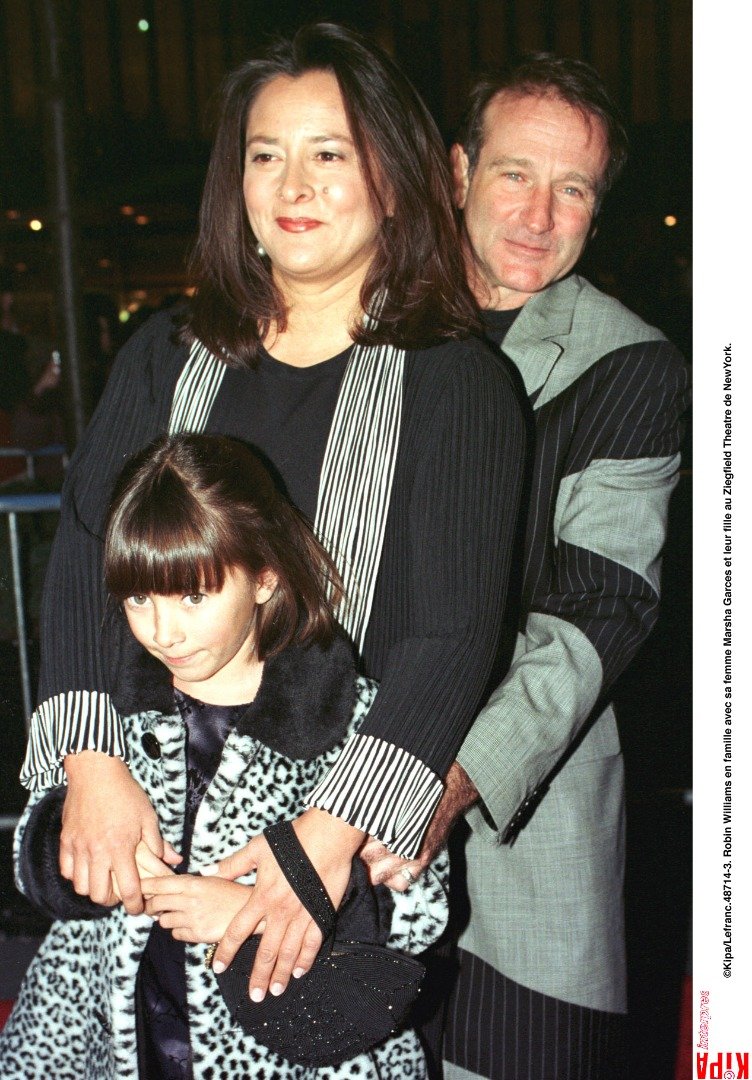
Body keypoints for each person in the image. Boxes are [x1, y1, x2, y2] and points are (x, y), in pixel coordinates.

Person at [19, 22, 525, 1007]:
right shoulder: (168, 353)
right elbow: (86, 552)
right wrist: (90, 766)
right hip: (148, 815)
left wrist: (323, 841)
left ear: (392, 176)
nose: (293, 186)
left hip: (325, 827)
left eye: (328, 154)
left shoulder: (458, 384)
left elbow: (453, 633)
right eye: (266, 155)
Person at [363, 53, 690, 1079]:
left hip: (520, 825)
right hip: (333, 797)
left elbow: (598, 611)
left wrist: (444, 783)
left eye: (573, 188)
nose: (537, 215)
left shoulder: (626, 362)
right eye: (513, 174)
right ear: (457, 171)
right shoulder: (362, 323)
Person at [0, 432, 450, 1078]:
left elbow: (419, 911)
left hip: (293, 1053)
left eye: (193, 595)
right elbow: (37, 863)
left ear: (265, 575)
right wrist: (92, 865)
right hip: (121, 1040)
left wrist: (252, 914)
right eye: (138, 597)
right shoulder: (109, 717)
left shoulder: (359, 719)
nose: (162, 630)